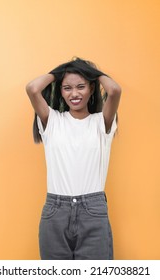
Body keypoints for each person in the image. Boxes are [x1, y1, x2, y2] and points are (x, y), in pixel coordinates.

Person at [26, 57, 121, 260]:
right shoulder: (52, 121)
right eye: (67, 88)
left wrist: (89, 71)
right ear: (60, 90)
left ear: (92, 88)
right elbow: (33, 88)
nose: (74, 94)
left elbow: (114, 90)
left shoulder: (101, 122)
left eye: (81, 86)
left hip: (93, 212)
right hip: (55, 212)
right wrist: (61, 71)